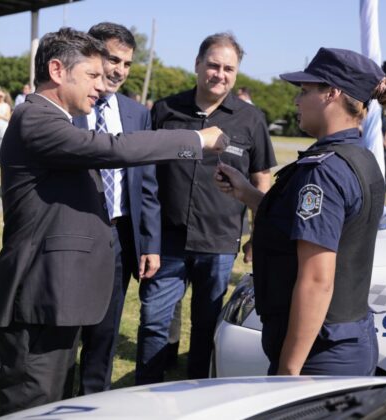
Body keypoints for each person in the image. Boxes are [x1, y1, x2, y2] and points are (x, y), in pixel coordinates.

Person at [0, 27, 228, 416]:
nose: (101, 86)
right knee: (33, 403)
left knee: (55, 401)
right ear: (57, 70)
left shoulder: (58, 120)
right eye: (92, 75)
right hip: (39, 294)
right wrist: (196, 140)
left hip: (58, 293)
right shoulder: (36, 118)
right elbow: (113, 147)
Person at [215, 47, 386, 376]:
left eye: (304, 91)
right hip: (344, 341)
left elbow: (317, 280)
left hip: (320, 354)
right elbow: (308, 224)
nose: (296, 101)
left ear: (332, 93)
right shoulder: (357, 156)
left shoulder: (324, 172)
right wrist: (248, 193)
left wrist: (288, 371)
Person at [136, 32, 276, 384]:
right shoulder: (165, 110)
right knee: (154, 321)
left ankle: (195, 390)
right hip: (166, 240)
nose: (220, 74)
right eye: (213, 65)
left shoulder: (251, 119)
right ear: (198, 64)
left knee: (206, 325)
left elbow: (261, 178)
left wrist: (258, 234)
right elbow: (146, 175)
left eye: (229, 69)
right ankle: (146, 389)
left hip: (219, 242)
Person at [72, 22, 161, 396]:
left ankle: (94, 402)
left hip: (120, 236)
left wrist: (150, 242)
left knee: (105, 330)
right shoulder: (68, 104)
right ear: (92, 56)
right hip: (74, 233)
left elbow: (147, 183)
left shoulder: (137, 113)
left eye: (127, 63)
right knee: (67, 327)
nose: (119, 71)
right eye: (113, 60)